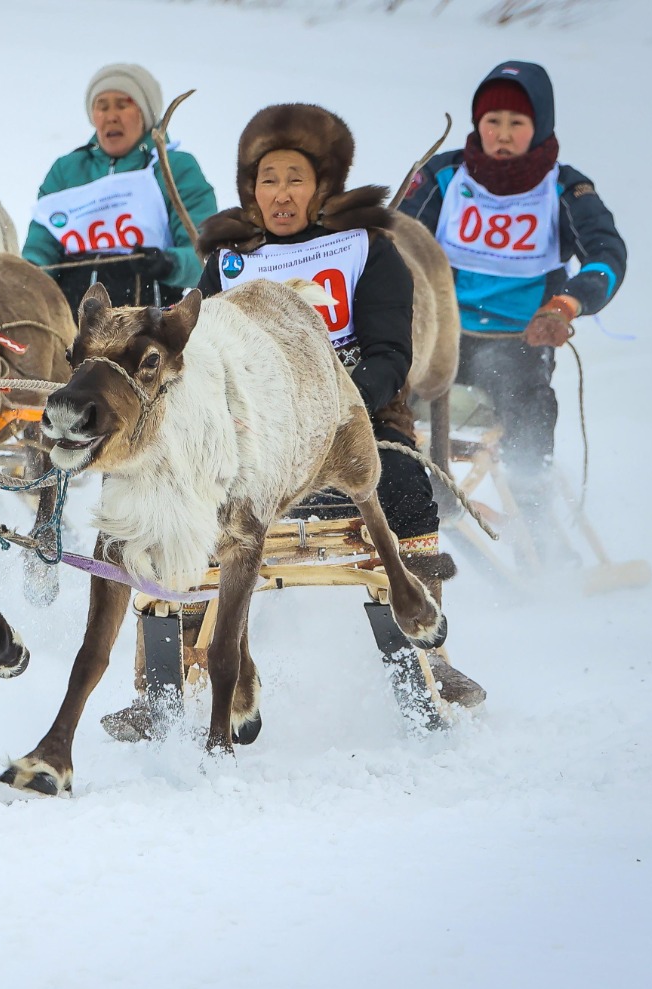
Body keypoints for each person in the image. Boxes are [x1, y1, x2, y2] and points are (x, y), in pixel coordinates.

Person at [102, 103, 484, 744]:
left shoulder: (368, 250)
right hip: (250, 427)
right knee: (160, 495)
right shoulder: (228, 262)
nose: (281, 193)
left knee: (402, 491)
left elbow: (393, 352)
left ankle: (427, 655)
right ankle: (159, 686)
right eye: (268, 179)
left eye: (295, 178)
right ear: (250, 188)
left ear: (323, 185)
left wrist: (340, 403)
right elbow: (189, 349)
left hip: (350, 416)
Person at [400, 61, 626, 562]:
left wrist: (565, 305)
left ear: (540, 126)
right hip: (442, 333)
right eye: (492, 121)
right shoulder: (443, 176)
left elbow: (607, 254)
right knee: (382, 390)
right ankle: (399, 512)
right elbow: (395, 241)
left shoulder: (564, 188)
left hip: (523, 339)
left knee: (527, 405)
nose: (501, 135)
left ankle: (536, 518)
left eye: (516, 123)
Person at [21, 63, 217, 313]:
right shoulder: (66, 170)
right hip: (71, 325)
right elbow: (40, 251)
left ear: (145, 114)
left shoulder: (175, 168)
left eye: (123, 104)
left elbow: (203, 255)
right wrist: (28, 285)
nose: (111, 115)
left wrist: (169, 264)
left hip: (150, 322)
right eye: (102, 106)